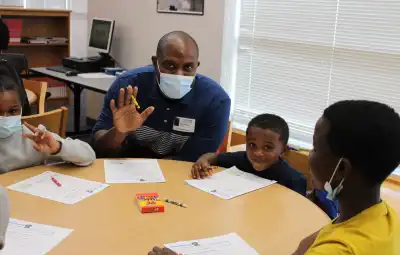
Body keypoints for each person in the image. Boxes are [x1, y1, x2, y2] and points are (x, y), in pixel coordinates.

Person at [144, 100, 400, 255]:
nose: (309, 155)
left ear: (341, 169)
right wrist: (304, 249)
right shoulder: (383, 216)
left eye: (315, 148)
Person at [92, 31, 231, 162]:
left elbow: (194, 162)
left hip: (180, 177)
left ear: (197, 66)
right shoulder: (126, 87)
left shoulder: (216, 101)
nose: (179, 75)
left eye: (188, 67)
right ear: (155, 63)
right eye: (170, 65)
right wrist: (117, 134)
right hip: (126, 170)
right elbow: (98, 147)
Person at [192, 114, 307, 196]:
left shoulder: (294, 180)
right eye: (252, 145)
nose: (258, 153)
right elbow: (213, 157)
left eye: (268, 147)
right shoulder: (241, 160)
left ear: (283, 150)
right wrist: (203, 161)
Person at [0, 75, 96, 173]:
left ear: (21, 108)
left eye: (12, 111)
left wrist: (59, 148)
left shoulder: (34, 137)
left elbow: (89, 155)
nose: (5, 117)